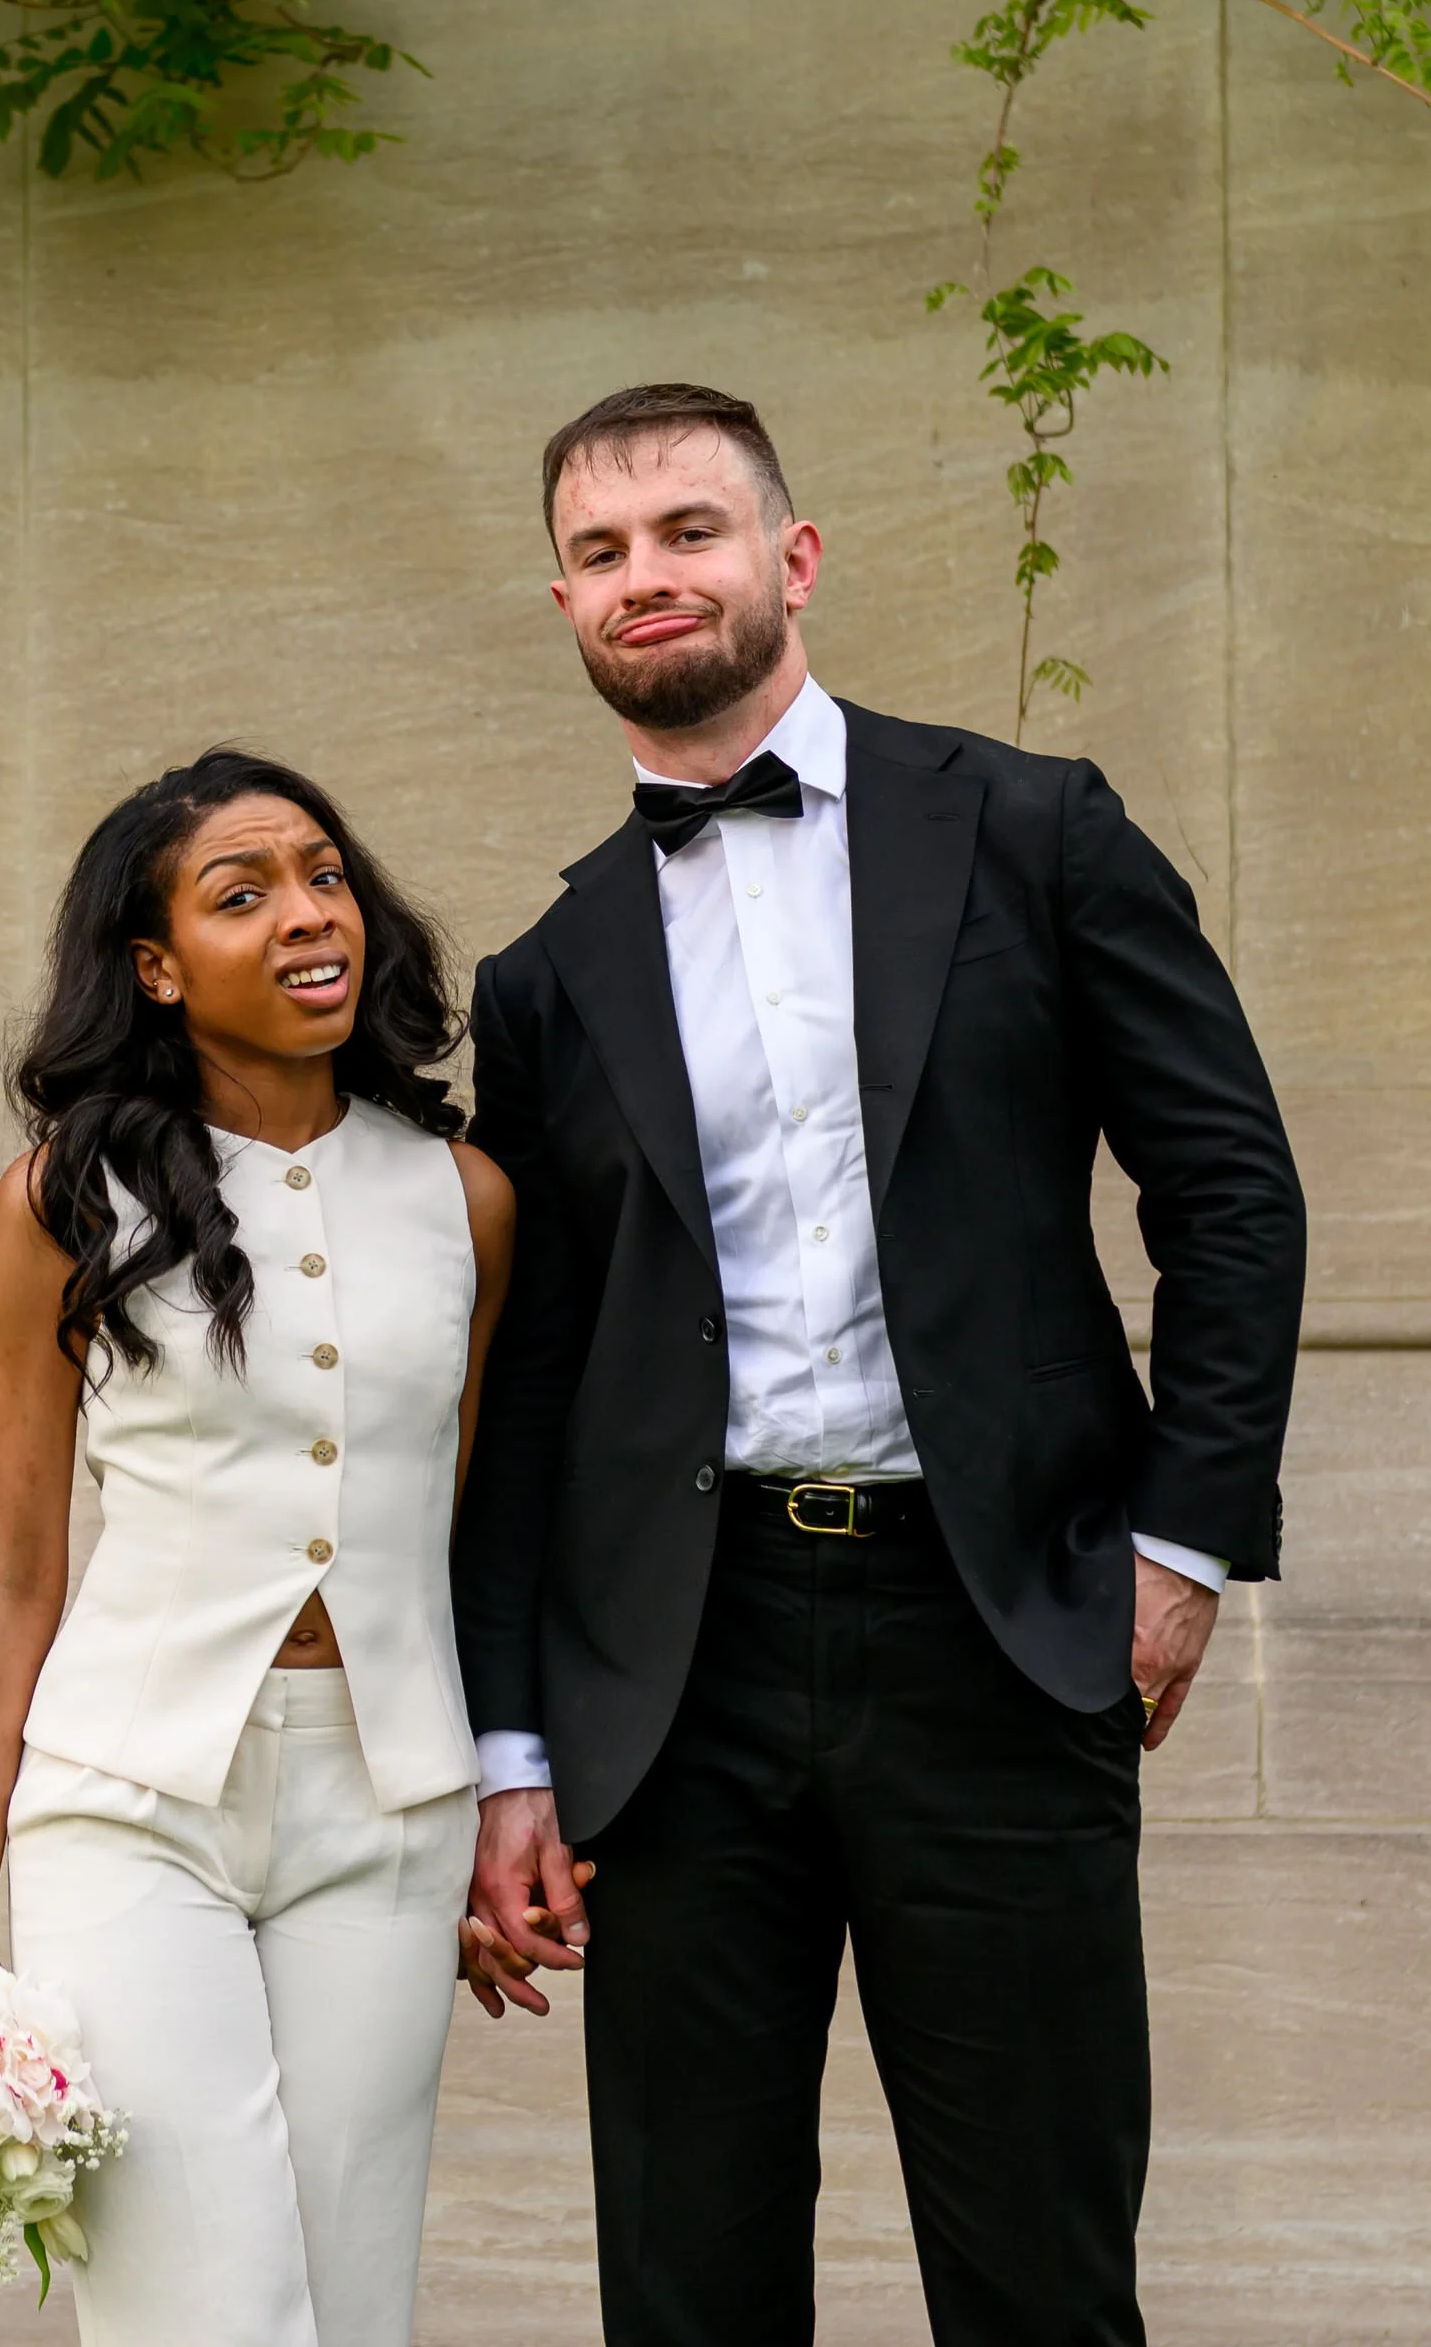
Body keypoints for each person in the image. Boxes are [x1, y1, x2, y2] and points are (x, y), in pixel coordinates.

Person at [453, 385, 1308, 2346]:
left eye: (689, 530)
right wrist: (512, 1750)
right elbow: (536, 1382)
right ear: (566, 602)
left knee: (1039, 2276)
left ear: (793, 558)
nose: (647, 578)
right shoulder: (549, 974)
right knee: (689, 2288)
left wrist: (1179, 1548)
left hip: (997, 1632)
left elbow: (1235, 1194)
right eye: (601, 552)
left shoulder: (1034, 827)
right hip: (675, 1675)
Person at [0, 747, 527, 2347]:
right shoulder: (63, 1200)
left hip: (386, 1816)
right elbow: (11, 1574)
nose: (305, 915)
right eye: (241, 893)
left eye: (324, 876)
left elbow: (462, 1535)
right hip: (126, 1807)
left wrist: (491, 1801)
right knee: (205, 2314)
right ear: (155, 965)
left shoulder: (464, 1199)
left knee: (351, 2305)